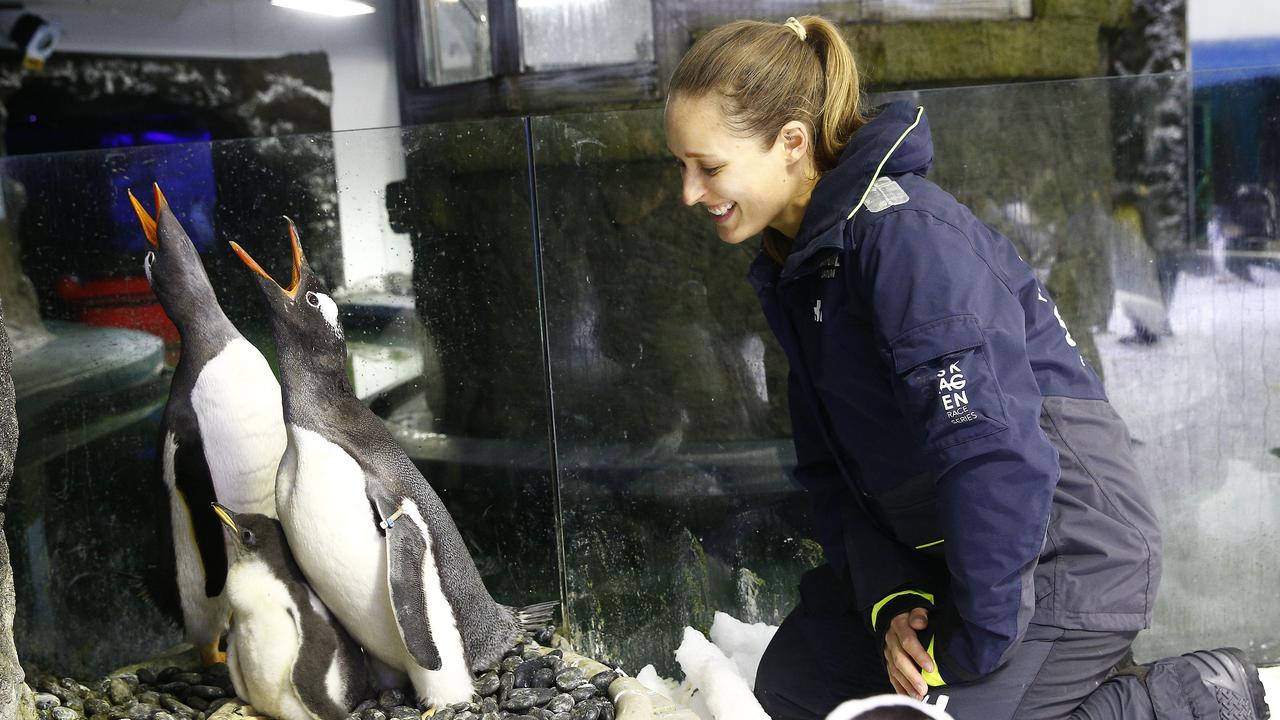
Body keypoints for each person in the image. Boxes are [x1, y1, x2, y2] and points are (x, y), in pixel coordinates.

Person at [663, 15, 1271, 720]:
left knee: (923, 716)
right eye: (680, 166)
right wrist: (897, 601)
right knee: (796, 689)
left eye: (707, 167)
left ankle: (1178, 698)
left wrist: (963, 646)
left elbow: (995, 461)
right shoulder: (803, 266)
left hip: (1061, 554)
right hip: (946, 556)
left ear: (792, 143)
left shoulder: (907, 242)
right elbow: (835, 474)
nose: (688, 191)